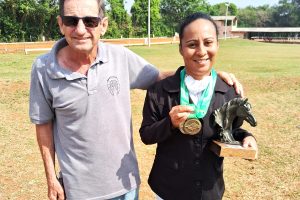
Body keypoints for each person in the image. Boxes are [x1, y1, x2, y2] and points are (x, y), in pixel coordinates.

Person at [29, 0, 244, 199]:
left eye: (90, 21)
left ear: (103, 25)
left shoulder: (120, 57)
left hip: (126, 186)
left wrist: (209, 76)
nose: (80, 29)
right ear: (60, 24)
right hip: (77, 190)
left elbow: (160, 76)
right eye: (71, 20)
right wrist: (50, 178)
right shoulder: (42, 69)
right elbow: (43, 126)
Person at [139, 12, 258, 200]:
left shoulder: (230, 92)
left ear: (217, 45)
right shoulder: (159, 91)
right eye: (192, 44)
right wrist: (169, 123)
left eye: (208, 43)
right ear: (181, 48)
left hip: (208, 191)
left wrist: (247, 136)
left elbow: (231, 131)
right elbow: (146, 135)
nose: (201, 51)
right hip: (167, 190)